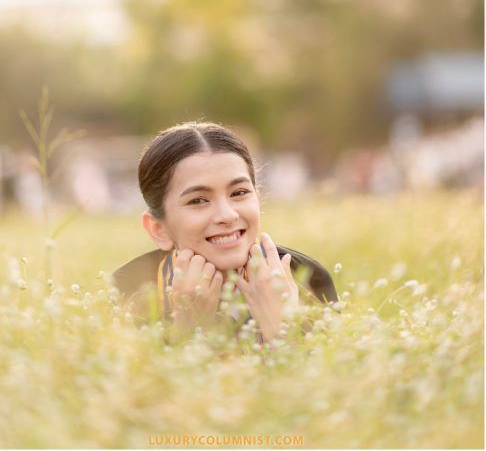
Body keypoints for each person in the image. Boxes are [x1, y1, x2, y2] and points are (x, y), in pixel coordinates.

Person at [113, 122, 337, 341]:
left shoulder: (308, 278)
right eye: (198, 200)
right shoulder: (123, 296)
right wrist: (187, 334)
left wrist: (284, 331)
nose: (227, 215)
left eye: (239, 192)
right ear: (159, 229)